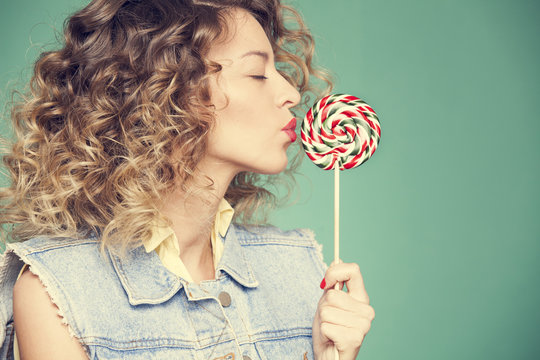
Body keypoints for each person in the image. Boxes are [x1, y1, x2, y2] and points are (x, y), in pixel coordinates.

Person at [0, 0, 375, 359]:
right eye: (258, 74)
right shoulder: (58, 291)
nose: (291, 93)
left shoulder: (299, 271)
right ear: (168, 92)